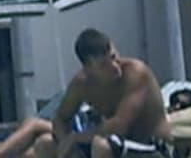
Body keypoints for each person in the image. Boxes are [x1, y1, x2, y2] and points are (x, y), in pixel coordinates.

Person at [26, 28, 173, 158]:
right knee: (45, 144)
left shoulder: (135, 73)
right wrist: (66, 142)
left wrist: (76, 138)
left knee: (101, 145)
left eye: (114, 57)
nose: (115, 67)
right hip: (116, 145)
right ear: (88, 69)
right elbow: (60, 118)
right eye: (104, 65)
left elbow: (119, 125)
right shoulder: (82, 83)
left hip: (153, 147)